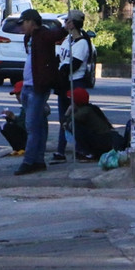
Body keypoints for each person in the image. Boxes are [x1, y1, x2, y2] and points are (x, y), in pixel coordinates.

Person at [15, 8, 67, 176]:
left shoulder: (43, 34)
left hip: (39, 87)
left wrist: (67, 27)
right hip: (28, 86)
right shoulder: (28, 38)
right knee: (39, 125)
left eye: (23, 23)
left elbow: (56, 35)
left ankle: (29, 161)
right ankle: (38, 160)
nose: (22, 26)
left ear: (31, 22)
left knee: (31, 125)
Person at [52, 9, 92, 163]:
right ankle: (60, 151)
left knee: (75, 118)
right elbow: (59, 58)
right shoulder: (67, 40)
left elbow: (73, 64)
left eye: (68, 20)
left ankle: (81, 149)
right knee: (63, 118)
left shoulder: (82, 43)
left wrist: (61, 70)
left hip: (75, 83)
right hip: (64, 84)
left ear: (74, 23)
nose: (65, 23)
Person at [62, 88, 127, 160]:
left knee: (75, 126)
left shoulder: (84, 111)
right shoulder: (88, 108)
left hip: (102, 140)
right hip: (103, 138)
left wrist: (68, 111)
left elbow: (65, 122)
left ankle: (88, 153)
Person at [0, 80, 27, 155]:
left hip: (32, 136)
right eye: (16, 95)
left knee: (6, 126)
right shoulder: (25, 106)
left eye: (19, 94)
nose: (17, 97)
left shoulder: (29, 106)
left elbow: (25, 124)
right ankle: (17, 148)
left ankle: (23, 147)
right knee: (5, 126)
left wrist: (13, 118)